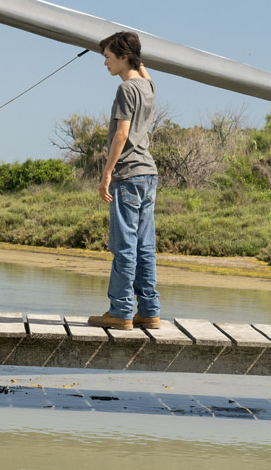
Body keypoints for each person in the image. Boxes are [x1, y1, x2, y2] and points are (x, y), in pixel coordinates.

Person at [88, 31, 161, 332]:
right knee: (144, 246)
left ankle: (120, 312)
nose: (104, 63)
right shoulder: (148, 86)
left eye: (107, 57)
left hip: (128, 174)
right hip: (148, 175)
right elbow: (144, 70)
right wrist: (135, 55)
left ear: (123, 57)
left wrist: (107, 173)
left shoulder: (126, 90)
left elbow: (121, 134)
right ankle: (149, 312)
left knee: (124, 247)